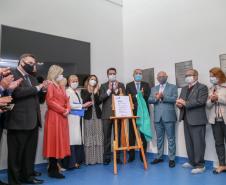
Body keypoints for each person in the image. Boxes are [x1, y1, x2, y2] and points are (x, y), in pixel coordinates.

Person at [5, 54, 46, 185]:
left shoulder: (32, 78)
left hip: (33, 121)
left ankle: (27, 176)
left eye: (34, 63)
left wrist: (43, 90)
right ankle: (14, 180)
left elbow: (39, 100)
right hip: (17, 121)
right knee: (15, 155)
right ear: (22, 62)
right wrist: (37, 88)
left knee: (29, 153)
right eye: (30, 63)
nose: (33, 65)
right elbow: (16, 93)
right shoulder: (11, 74)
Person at [176, 69, 208, 174]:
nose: (187, 77)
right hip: (186, 119)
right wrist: (179, 105)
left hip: (197, 119)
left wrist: (185, 103)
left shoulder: (202, 87)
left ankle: (200, 165)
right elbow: (181, 101)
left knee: (199, 143)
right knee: (189, 142)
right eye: (186, 75)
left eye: (189, 75)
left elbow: (201, 101)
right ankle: (191, 162)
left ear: (196, 76)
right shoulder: (184, 88)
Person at [43, 65, 70, 179]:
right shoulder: (50, 85)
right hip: (54, 117)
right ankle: (52, 169)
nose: (62, 76)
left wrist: (67, 109)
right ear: (55, 74)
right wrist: (63, 110)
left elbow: (66, 99)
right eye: (60, 74)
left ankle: (55, 167)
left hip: (62, 117)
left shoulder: (60, 86)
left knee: (60, 141)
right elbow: (50, 101)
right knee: (53, 141)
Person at [149, 71, 177, 168]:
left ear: (166, 77)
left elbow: (174, 99)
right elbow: (149, 100)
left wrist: (163, 97)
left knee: (171, 138)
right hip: (157, 117)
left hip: (169, 116)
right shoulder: (153, 89)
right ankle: (159, 157)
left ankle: (172, 159)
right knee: (159, 138)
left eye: (163, 76)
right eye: (159, 76)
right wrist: (156, 98)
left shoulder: (173, 87)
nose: (161, 78)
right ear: (157, 78)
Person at [99, 67, 126, 165]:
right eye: (110, 74)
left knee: (117, 137)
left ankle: (117, 157)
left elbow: (124, 98)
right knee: (106, 137)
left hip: (118, 115)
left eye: (113, 73)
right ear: (107, 75)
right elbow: (100, 98)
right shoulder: (103, 86)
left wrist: (116, 90)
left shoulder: (121, 85)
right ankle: (106, 157)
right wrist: (109, 90)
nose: (112, 75)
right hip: (106, 115)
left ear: (116, 74)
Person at [62, 75, 88, 169]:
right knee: (72, 141)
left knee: (77, 140)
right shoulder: (67, 91)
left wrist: (83, 106)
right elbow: (69, 105)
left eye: (76, 80)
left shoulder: (76, 92)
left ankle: (77, 161)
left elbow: (78, 104)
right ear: (69, 82)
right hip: (71, 118)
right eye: (73, 81)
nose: (75, 82)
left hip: (78, 117)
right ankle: (71, 163)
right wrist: (83, 105)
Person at [126, 69, 150, 162]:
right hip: (132, 113)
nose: (138, 75)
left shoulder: (146, 85)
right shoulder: (128, 85)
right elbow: (127, 97)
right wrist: (136, 96)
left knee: (143, 134)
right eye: (137, 73)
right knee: (131, 134)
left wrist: (143, 95)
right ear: (133, 75)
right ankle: (131, 155)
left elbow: (148, 97)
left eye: (140, 74)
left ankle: (142, 155)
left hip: (143, 113)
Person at [206, 67, 226, 174]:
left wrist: (218, 98)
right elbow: (208, 105)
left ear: (219, 76)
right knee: (218, 143)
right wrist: (212, 100)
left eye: (212, 76)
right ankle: (222, 165)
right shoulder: (211, 88)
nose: (211, 78)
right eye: (210, 76)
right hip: (215, 120)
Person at [81, 75, 104, 165]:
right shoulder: (84, 91)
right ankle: (90, 160)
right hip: (88, 116)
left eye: (95, 80)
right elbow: (84, 100)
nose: (93, 81)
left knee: (98, 135)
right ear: (88, 80)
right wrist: (92, 92)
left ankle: (99, 159)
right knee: (89, 136)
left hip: (97, 116)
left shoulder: (98, 91)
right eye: (92, 79)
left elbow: (99, 102)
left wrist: (96, 92)